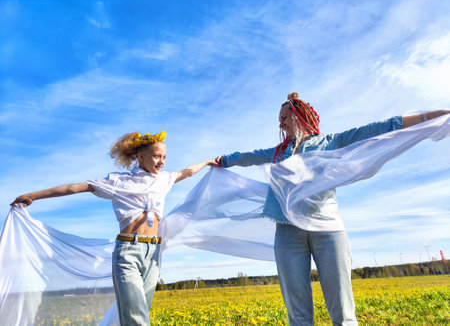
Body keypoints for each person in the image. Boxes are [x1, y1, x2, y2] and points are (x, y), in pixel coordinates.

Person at [216, 92, 450, 325]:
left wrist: (428, 118)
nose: (280, 123)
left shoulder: (330, 142)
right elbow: (247, 157)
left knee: (343, 312)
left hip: (327, 229)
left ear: (298, 116)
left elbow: (377, 129)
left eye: (284, 118)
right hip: (288, 232)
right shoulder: (278, 152)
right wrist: (221, 161)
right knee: (297, 315)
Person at [11, 130, 219, 326]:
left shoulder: (164, 180)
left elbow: (188, 172)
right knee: (136, 318)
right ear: (140, 156)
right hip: (128, 253)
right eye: (156, 156)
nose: (161, 161)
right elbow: (75, 188)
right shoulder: (119, 182)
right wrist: (34, 195)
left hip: (154, 254)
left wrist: (208, 161)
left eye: (164, 157)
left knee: (140, 313)